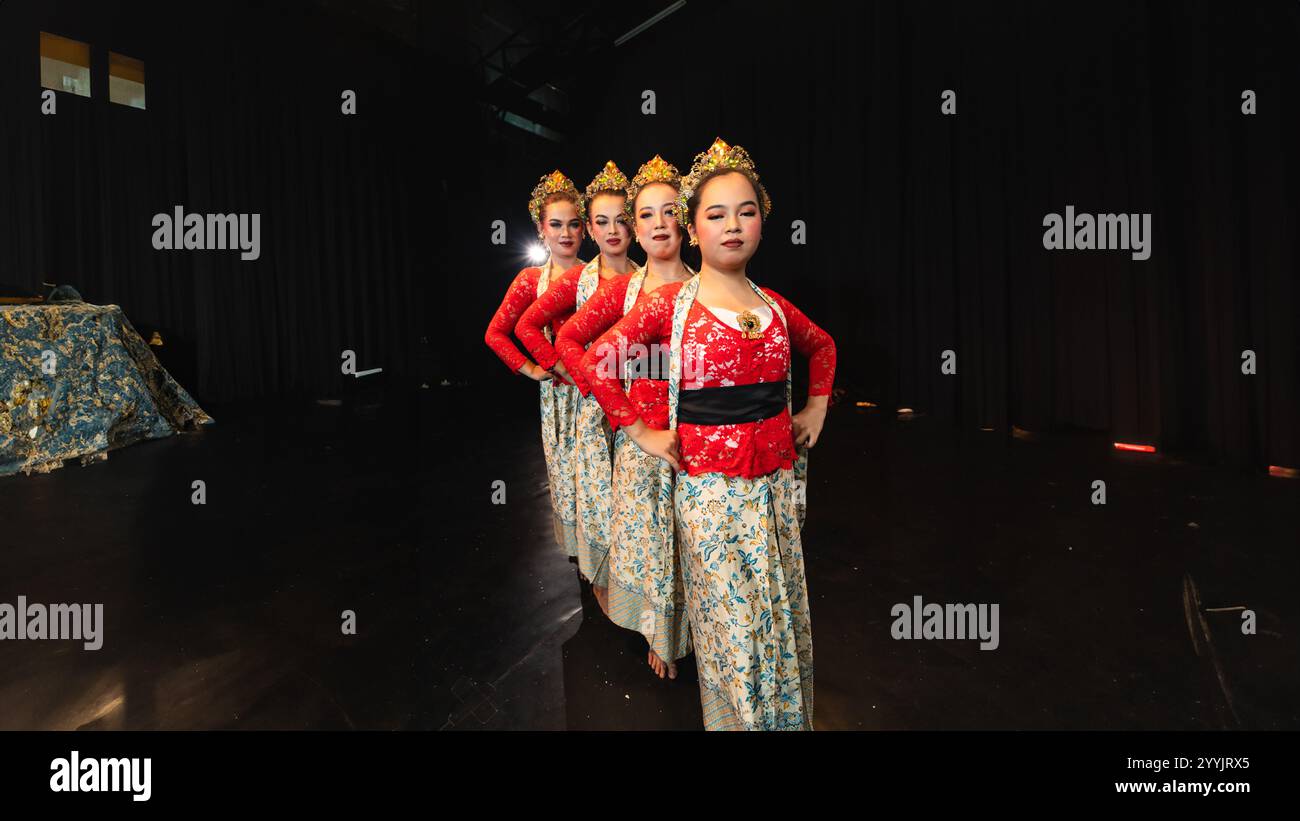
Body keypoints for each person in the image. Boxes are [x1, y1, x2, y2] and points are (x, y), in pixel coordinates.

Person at [580, 139, 836, 730]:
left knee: (776, 612)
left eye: (746, 212)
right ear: (693, 228)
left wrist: (817, 407)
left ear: (762, 224)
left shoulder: (772, 305)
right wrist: (640, 429)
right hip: (711, 499)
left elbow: (822, 345)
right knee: (734, 622)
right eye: (716, 215)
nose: (732, 226)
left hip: (775, 493)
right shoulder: (671, 304)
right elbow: (598, 361)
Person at [555, 155, 694, 678]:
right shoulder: (623, 292)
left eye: (670, 213)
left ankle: (691, 625)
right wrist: (614, 407)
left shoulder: (709, 285)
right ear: (635, 228)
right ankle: (661, 633)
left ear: (688, 220)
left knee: (689, 537)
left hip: (698, 437)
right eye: (646, 216)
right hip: (641, 438)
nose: (659, 225)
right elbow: (570, 343)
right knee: (652, 537)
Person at [516, 161, 634, 610]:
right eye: (602, 221)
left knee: (631, 499)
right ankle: (598, 576)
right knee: (591, 490)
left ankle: (637, 592)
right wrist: (552, 369)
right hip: (585, 402)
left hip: (636, 403)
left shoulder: (645, 275)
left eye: (623, 219)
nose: (613, 229)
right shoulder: (572, 281)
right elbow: (523, 329)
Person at [484, 170, 586, 554]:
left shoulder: (601, 274)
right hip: (560, 397)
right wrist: (532, 369)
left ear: (584, 229)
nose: (565, 233)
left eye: (574, 224)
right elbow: (495, 332)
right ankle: (582, 561)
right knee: (567, 478)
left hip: (602, 392)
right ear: (541, 230)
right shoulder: (530, 280)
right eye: (556, 225)